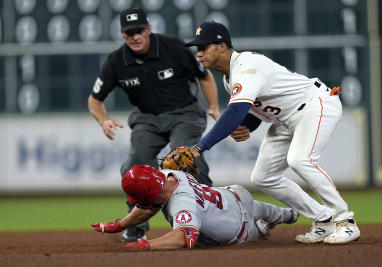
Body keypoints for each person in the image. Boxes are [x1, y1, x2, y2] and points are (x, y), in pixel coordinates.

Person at [174, 21, 360, 244]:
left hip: (314, 105)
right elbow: (253, 112)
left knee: (300, 160)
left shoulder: (247, 65)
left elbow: (235, 110)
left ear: (222, 46)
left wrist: (199, 147)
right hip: (286, 120)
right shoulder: (229, 78)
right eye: (197, 49)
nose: (199, 53)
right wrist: (244, 127)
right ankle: (323, 219)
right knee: (263, 177)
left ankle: (345, 221)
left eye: (204, 47)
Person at [88, 8, 220, 242]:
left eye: (139, 31)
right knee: (134, 166)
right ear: (122, 35)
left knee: (185, 157)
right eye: (130, 34)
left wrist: (214, 106)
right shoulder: (117, 61)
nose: (135, 37)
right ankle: (136, 226)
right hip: (147, 118)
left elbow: (205, 77)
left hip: (185, 113)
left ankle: (209, 215)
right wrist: (103, 120)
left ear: (149, 30)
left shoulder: (174, 48)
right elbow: (94, 100)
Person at [91, 165, 298, 250]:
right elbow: (149, 206)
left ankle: (263, 228)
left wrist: (148, 245)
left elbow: (184, 237)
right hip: (235, 195)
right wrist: (119, 225)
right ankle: (290, 214)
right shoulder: (168, 172)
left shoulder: (182, 205)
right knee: (275, 212)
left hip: (241, 230)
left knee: (260, 232)